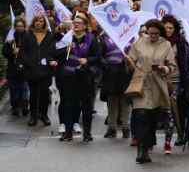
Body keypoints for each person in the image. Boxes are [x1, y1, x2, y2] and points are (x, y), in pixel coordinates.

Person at [126, 19, 177, 164]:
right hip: (141, 83)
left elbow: (172, 66)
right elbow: (131, 61)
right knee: (141, 114)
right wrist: (128, 62)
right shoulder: (139, 42)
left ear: (160, 33)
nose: (153, 36)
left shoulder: (166, 45)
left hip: (158, 84)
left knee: (152, 117)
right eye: (150, 33)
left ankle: (148, 144)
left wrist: (164, 69)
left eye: (156, 33)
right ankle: (141, 150)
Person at [55, 13, 100, 142]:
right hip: (69, 76)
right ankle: (68, 133)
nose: (75, 24)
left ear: (85, 26)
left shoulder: (92, 39)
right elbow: (56, 53)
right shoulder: (67, 39)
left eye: (79, 23)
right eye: (74, 22)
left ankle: (87, 133)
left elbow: (97, 56)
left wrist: (87, 60)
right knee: (69, 104)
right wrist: (65, 49)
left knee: (86, 106)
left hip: (85, 77)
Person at [161, 15, 189, 154]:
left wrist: (185, 82)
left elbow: (184, 63)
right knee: (166, 109)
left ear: (175, 29)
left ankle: (179, 134)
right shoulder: (159, 42)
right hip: (160, 79)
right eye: (166, 27)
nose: (168, 30)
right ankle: (173, 134)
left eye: (171, 28)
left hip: (176, 79)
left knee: (174, 108)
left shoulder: (180, 42)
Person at [19, 14, 56, 127]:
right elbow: (23, 52)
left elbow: (52, 50)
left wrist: (50, 60)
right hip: (31, 70)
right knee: (33, 94)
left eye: (41, 21)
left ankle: (44, 115)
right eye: (37, 21)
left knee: (45, 94)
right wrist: (28, 63)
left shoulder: (49, 35)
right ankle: (33, 116)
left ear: (44, 23)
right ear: (33, 22)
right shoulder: (27, 35)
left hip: (45, 70)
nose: (39, 23)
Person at [101, 31, 132, 139]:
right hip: (111, 71)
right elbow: (100, 55)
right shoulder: (105, 37)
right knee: (112, 100)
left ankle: (126, 127)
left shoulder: (130, 36)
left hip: (125, 71)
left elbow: (135, 55)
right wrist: (106, 65)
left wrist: (129, 59)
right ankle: (112, 128)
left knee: (125, 100)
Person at [3, 18, 29, 117]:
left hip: (24, 68)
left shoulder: (28, 36)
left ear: (24, 26)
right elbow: (4, 52)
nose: (19, 28)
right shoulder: (10, 37)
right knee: (13, 90)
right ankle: (15, 106)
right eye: (17, 26)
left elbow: (31, 52)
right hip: (12, 68)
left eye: (21, 26)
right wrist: (11, 51)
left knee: (24, 89)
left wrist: (20, 52)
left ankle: (25, 106)